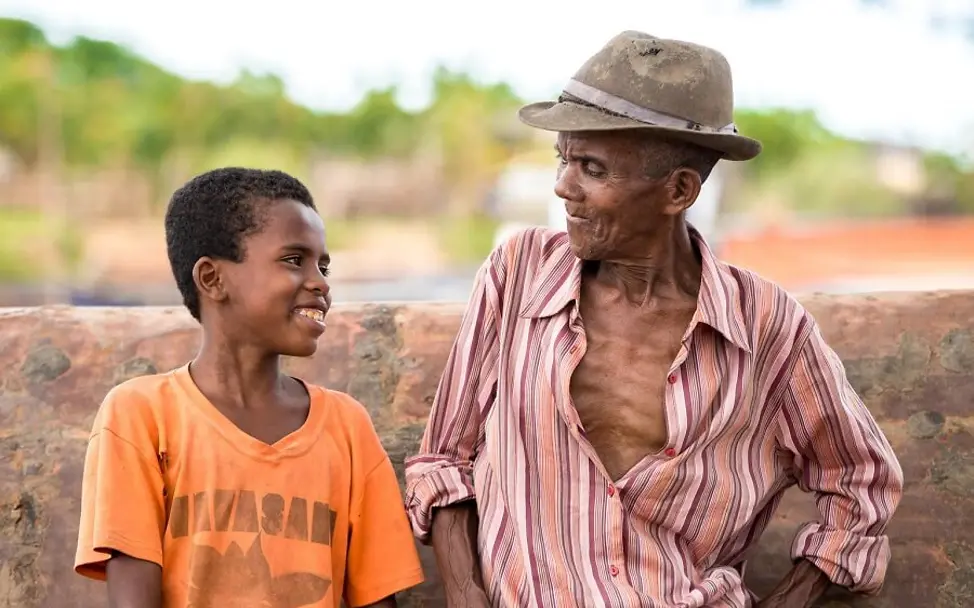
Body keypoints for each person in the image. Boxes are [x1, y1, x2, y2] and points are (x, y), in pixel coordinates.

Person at [404, 31, 903, 608]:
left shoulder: (767, 327)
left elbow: (860, 483)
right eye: (563, 158)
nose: (564, 186)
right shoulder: (517, 275)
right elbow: (443, 460)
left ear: (679, 190)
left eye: (592, 168)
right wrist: (467, 593)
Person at [74, 168, 424, 607]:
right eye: (294, 260)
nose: (320, 282)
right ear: (212, 279)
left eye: (323, 265)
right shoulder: (142, 414)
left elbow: (377, 598)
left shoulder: (346, 427)